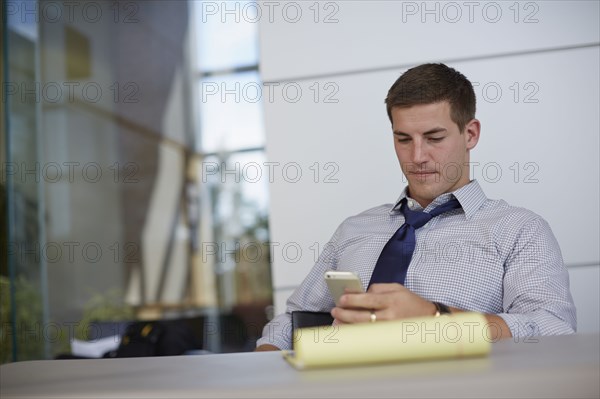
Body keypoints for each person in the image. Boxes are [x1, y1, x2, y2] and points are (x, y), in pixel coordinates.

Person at [255, 63, 576, 351]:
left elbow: (553, 329)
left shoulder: (519, 230)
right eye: (403, 139)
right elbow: (290, 323)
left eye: (434, 137)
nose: (417, 156)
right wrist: (265, 367)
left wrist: (436, 318)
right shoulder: (353, 230)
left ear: (471, 134)